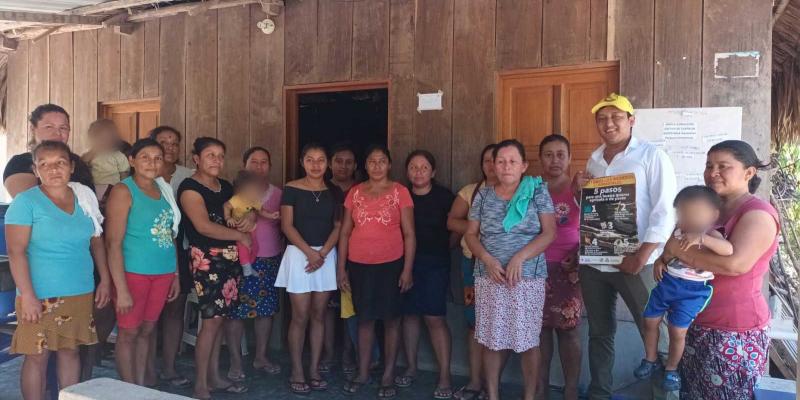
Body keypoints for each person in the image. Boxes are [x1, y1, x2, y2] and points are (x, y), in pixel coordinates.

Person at [574, 93, 677, 400]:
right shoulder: (594, 159)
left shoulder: (651, 156)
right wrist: (579, 191)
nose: (609, 124)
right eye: (602, 119)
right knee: (599, 332)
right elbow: (590, 211)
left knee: (654, 331)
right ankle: (599, 393)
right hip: (595, 262)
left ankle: (663, 396)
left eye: (617, 117)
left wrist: (642, 255)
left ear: (631, 121)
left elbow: (665, 211)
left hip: (637, 262)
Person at [664, 141, 778, 399]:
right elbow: (671, 247)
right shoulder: (707, 209)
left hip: (733, 330)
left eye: (723, 166)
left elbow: (735, 265)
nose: (712, 172)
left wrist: (678, 250)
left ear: (749, 173)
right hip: (693, 322)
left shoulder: (757, 213)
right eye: (708, 165)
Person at [5, 140, 111, 400]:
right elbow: (16, 252)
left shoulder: (84, 199)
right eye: (45, 164)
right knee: (37, 357)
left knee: (71, 351)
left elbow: (97, 241)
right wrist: (27, 296)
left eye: (60, 163)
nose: (53, 170)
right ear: (35, 169)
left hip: (79, 290)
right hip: (39, 295)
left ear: (72, 166)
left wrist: (105, 280)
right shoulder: (26, 203)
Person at [464, 139, 556, 400]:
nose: (506, 167)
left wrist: (519, 258)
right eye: (500, 161)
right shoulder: (483, 195)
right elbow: (471, 234)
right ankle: (492, 395)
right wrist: (487, 259)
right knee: (491, 339)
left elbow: (549, 232)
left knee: (528, 341)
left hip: (527, 278)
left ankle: (529, 396)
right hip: (489, 276)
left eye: (512, 161)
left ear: (524, 165)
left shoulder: (537, 191)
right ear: (493, 165)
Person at [635, 185, 732, 391]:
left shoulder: (712, 234)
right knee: (650, 320)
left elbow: (728, 250)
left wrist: (702, 239)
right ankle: (650, 359)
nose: (687, 219)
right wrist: (661, 261)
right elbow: (669, 251)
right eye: (682, 213)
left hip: (692, 292)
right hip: (668, 283)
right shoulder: (678, 230)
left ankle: (671, 369)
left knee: (677, 331)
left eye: (694, 213)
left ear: (713, 215)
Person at [338, 145, 415, 398]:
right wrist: (342, 269)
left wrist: (407, 269)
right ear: (366, 165)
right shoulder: (355, 193)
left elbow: (409, 233)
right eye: (372, 161)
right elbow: (346, 232)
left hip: (391, 264)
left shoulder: (400, 192)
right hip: (359, 265)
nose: (377, 166)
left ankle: (388, 374)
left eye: (382, 161)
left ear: (390, 165)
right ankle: (362, 372)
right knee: (364, 319)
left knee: (392, 320)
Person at [178, 137, 251, 399]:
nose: (217, 160)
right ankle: (200, 383)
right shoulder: (189, 188)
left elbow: (245, 208)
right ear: (196, 158)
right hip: (206, 259)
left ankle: (213, 376)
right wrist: (241, 236)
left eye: (221, 155)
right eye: (210, 155)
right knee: (210, 322)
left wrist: (247, 220)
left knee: (219, 320)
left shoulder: (226, 186)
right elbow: (203, 226)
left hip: (230, 259)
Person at [104, 139, 181, 386]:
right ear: (132, 160)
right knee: (128, 332)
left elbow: (170, 234)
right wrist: (121, 289)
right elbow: (113, 243)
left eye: (158, 157)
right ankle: (129, 388)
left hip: (163, 272)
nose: (152, 162)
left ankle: (141, 386)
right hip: (133, 273)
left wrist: (176, 274)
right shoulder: (123, 190)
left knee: (148, 330)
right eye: (145, 157)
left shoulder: (163, 189)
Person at [276, 143, 341, 394]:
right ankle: (297, 369)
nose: (316, 165)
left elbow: (338, 226)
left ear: (327, 163)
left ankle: (313, 368)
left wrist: (322, 253)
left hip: (325, 257)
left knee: (319, 314)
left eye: (321, 160)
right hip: (298, 255)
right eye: (310, 160)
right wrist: (310, 252)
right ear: (302, 162)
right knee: (300, 316)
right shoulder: (291, 188)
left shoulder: (334, 192)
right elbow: (287, 225)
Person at [397, 150, 455, 399]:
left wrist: (444, 248)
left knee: (434, 318)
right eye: (413, 167)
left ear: (433, 172)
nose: (418, 172)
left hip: (435, 264)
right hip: (404, 264)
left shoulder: (444, 197)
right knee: (409, 315)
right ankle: (411, 367)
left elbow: (456, 228)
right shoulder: (400, 194)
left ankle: (444, 375)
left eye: (423, 167)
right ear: (406, 171)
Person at [226, 147, 283, 381]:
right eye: (254, 162)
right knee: (236, 312)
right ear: (244, 164)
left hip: (268, 257)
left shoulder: (278, 194)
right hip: (239, 259)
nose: (259, 167)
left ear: (270, 166)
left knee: (265, 311)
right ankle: (235, 362)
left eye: (264, 162)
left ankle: (260, 357)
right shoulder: (233, 192)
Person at [447, 144, 497, 400]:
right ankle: (476, 382)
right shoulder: (471, 191)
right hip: (471, 266)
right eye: (487, 160)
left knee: (498, 325)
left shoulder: (519, 191)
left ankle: (493, 387)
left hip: (503, 269)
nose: (492, 165)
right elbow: (451, 221)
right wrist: (476, 225)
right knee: (474, 323)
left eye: (496, 160)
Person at [148, 126, 195, 388]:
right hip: (147, 250)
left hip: (179, 248)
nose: (169, 147)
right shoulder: (142, 175)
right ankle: (145, 370)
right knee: (148, 314)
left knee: (174, 309)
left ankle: (168, 367)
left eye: (174, 142)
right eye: (163, 142)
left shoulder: (188, 175)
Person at [536, 135, 582, 400]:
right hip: (535, 269)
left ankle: (571, 391)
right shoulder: (531, 189)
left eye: (560, 154)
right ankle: (539, 389)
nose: (555, 160)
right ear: (540, 158)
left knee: (570, 330)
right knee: (539, 331)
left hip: (570, 270)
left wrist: (577, 255)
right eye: (548, 154)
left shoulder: (578, 191)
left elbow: (595, 228)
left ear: (569, 158)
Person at [3, 103, 94, 197]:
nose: (58, 133)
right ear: (33, 129)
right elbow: (32, 203)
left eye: (63, 128)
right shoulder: (21, 162)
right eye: (49, 127)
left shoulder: (77, 161)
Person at [224, 171, 264, 278]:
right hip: (239, 228)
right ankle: (246, 267)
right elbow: (226, 206)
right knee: (243, 247)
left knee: (255, 247)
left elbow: (261, 211)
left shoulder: (254, 200)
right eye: (251, 190)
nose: (254, 193)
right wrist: (228, 217)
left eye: (256, 190)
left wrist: (272, 215)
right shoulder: (237, 199)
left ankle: (250, 265)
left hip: (251, 229)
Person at [81, 119, 129, 201]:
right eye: (101, 138)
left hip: (113, 188)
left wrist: (123, 188)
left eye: (109, 138)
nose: (105, 141)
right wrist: (94, 151)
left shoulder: (117, 155)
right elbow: (82, 163)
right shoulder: (90, 154)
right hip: (93, 188)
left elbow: (124, 174)